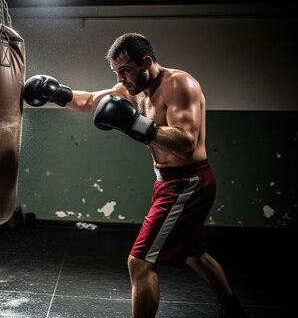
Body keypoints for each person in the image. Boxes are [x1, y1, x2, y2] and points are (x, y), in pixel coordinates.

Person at [23, 32, 249, 318]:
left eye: (125, 70)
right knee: (194, 254)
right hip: (167, 182)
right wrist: (57, 94)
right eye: (116, 72)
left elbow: (187, 142)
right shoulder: (131, 88)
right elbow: (90, 100)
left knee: (139, 262)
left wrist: (135, 124)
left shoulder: (179, 84)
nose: (120, 79)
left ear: (146, 62)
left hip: (187, 183)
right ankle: (233, 308)